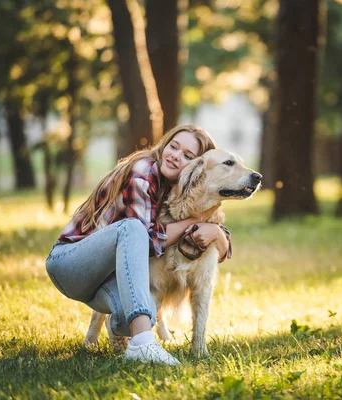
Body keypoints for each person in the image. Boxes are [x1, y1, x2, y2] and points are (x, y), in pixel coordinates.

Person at [45, 125, 231, 366]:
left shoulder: (173, 188)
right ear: (164, 145)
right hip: (70, 265)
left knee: (143, 312)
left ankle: (121, 333)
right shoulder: (143, 172)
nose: (176, 156)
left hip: (102, 279)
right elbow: (149, 242)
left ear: (197, 171)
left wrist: (215, 230)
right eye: (173, 147)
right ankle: (143, 345)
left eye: (187, 155)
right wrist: (196, 221)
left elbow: (218, 244)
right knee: (133, 229)